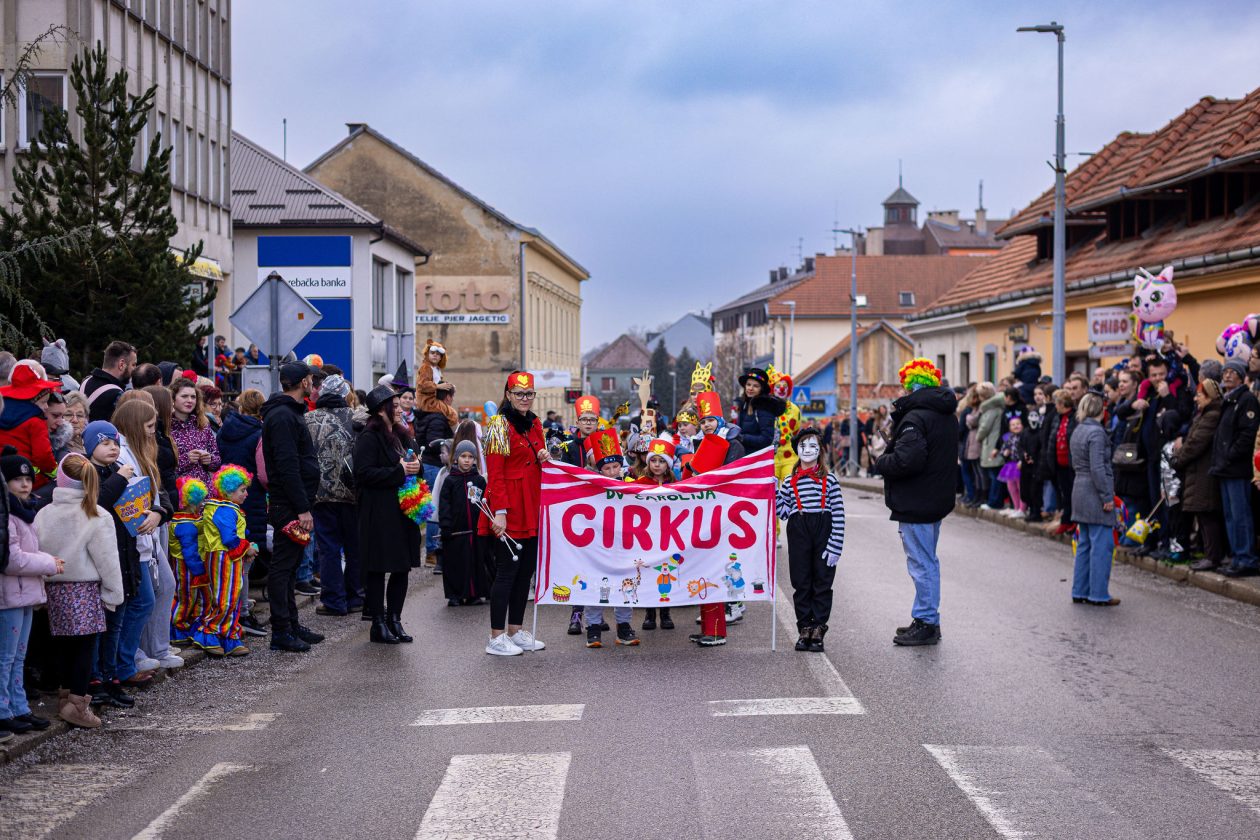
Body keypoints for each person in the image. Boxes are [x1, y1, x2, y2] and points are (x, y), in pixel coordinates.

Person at [873, 359, 958, 647]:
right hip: (934, 497)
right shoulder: (945, 413)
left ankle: (927, 622)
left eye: (905, 386)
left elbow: (907, 460)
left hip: (918, 499)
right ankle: (924, 616)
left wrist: (882, 461)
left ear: (911, 387)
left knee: (922, 563)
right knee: (927, 560)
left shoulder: (915, 417)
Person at [36, 454, 122, 729]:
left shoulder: (44, 513)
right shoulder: (96, 514)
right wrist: (113, 593)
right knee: (85, 648)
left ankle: (64, 696)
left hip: (53, 587)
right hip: (84, 589)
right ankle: (77, 703)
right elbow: (107, 559)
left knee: (61, 646)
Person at [482, 371, 548, 657]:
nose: (524, 399)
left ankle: (515, 630)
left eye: (529, 394)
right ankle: (496, 636)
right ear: (508, 395)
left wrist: (545, 456)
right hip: (508, 506)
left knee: (525, 573)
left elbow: (536, 458)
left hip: (531, 504)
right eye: (519, 394)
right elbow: (495, 474)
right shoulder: (498, 425)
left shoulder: (535, 423)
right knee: (507, 572)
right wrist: (499, 512)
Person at [112, 400, 180, 672]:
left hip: (148, 533)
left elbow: (153, 494)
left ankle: (155, 649)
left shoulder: (142, 450)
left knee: (164, 586)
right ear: (135, 426)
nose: (154, 432)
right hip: (136, 537)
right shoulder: (122, 454)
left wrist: (158, 511)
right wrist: (153, 512)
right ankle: (134, 656)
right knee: (142, 599)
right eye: (150, 426)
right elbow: (127, 499)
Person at [260, 361, 324, 653]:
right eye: (312, 379)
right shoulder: (284, 417)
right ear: (303, 382)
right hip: (289, 505)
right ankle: (281, 630)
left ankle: (291, 624)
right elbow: (287, 467)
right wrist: (302, 509)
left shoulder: (289, 413)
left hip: (293, 502)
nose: (314, 384)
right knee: (283, 568)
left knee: (290, 565)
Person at [0, 447, 62, 734]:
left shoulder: (27, 512)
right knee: (6, 657)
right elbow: (13, 560)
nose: (25, 484)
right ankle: (3, 710)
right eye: (17, 479)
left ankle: (19, 706)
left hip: (25, 594)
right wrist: (48, 563)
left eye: (27, 478)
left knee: (18, 657)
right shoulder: (9, 516)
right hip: (9, 596)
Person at [355, 385, 422, 644]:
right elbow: (363, 474)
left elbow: (409, 465)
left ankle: (395, 619)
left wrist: (413, 467)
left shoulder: (402, 435)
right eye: (394, 406)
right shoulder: (368, 437)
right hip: (378, 513)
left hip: (402, 511)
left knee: (401, 567)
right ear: (381, 410)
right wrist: (399, 471)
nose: (399, 409)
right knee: (377, 568)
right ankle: (378, 623)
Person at [776, 427, 845, 653]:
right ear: (797, 450)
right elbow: (783, 513)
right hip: (798, 530)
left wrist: (836, 545)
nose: (808, 450)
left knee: (822, 582)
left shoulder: (830, 480)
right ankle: (804, 627)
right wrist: (772, 491)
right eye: (803, 446)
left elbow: (838, 514)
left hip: (823, 528)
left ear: (820, 451)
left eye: (813, 446)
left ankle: (818, 629)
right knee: (801, 581)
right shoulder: (788, 481)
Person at [685, 390, 745, 646]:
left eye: (711, 420)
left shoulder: (734, 443)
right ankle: (709, 626)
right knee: (703, 572)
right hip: (704, 514)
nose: (707, 425)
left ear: (720, 420)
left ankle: (718, 630)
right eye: (703, 421)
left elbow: (734, 478)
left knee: (717, 571)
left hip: (723, 515)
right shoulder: (700, 443)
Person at [305, 374, 363, 616]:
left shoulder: (309, 419)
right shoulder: (359, 418)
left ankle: (333, 601)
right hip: (354, 495)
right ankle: (356, 597)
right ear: (345, 394)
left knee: (328, 548)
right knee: (355, 547)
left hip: (322, 495)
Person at [215, 389, 268, 636]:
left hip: (224, 496)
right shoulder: (259, 433)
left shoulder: (224, 429)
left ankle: (232, 610)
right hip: (251, 496)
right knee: (245, 557)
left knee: (228, 558)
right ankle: (242, 614)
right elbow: (264, 474)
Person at [192, 466, 256, 656]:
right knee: (225, 598)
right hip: (223, 557)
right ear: (229, 491)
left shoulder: (225, 508)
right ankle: (208, 632)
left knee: (231, 597)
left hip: (226, 557)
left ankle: (228, 635)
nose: (246, 494)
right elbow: (229, 538)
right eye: (242, 490)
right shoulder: (226, 510)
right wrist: (247, 547)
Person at [1211, 359, 1260, 578]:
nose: (1228, 375)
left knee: (1241, 515)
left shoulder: (1246, 400)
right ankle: (1236, 557)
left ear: (1241, 376)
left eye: (1233, 372)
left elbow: (1246, 435)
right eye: (1225, 372)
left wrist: (1229, 456)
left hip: (1237, 468)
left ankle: (1247, 558)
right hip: (1224, 468)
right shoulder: (1227, 401)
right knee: (1230, 516)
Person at [1069, 393, 1119, 606]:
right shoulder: (1097, 433)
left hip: (1079, 488)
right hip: (1095, 491)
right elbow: (1098, 467)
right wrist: (1107, 496)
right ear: (1101, 410)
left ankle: (1080, 590)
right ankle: (1098, 593)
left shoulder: (1079, 430)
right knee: (1102, 545)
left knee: (1084, 544)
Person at [1173, 380, 1225, 571]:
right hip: (1198, 471)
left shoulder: (1212, 416)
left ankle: (1213, 557)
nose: (1195, 399)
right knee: (1203, 515)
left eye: (1199, 395)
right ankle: (1210, 556)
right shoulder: (1205, 414)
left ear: (1210, 396)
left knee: (1207, 514)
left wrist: (1178, 459)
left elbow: (1195, 443)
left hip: (1204, 472)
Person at [438, 440, 490, 608]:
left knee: (475, 562)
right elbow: (444, 505)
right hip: (455, 532)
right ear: (456, 458)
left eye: (470, 457)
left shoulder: (479, 481)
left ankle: (475, 593)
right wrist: (445, 525)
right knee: (455, 563)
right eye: (463, 456)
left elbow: (484, 504)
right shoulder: (450, 481)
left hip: (475, 531)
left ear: (475, 459)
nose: (467, 460)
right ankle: (455, 594)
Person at [636, 437, 677, 637]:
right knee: (649, 574)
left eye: (661, 461)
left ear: (667, 464)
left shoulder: (675, 483)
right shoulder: (641, 483)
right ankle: (649, 614)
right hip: (647, 537)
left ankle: (666, 613)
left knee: (666, 574)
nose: (657, 465)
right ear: (648, 462)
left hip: (668, 537)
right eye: (654, 461)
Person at [414, 382, 456, 574]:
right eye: (451, 397)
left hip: (428, 465)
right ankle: (432, 552)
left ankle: (432, 551)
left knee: (430, 508)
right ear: (446, 397)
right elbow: (434, 442)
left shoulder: (426, 414)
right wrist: (445, 447)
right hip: (434, 465)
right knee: (435, 509)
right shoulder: (438, 418)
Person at [0, 365, 62, 489]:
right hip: (29, 481)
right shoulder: (36, 421)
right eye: (44, 402)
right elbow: (43, 456)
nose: (46, 407)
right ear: (31, 399)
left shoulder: (1, 411)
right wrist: (57, 473)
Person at [169, 477, 209, 651]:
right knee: (185, 596)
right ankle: (177, 627)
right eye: (200, 501)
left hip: (187, 565)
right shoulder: (186, 524)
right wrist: (199, 570)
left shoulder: (183, 519)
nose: (202, 504)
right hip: (186, 567)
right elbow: (189, 552)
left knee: (188, 596)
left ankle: (185, 624)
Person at [169, 378, 221, 484]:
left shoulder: (203, 424)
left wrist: (210, 460)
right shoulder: (166, 427)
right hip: (179, 493)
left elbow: (217, 460)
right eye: (184, 396)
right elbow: (163, 468)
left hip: (205, 491)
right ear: (173, 399)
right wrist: (186, 459)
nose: (190, 400)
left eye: (193, 397)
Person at [1041, 389, 1078, 534]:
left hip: (1070, 464)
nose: (1055, 406)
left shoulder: (1074, 417)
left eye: (1057, 403)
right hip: (1058, 462)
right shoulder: (1057, 417)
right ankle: (1065, 521)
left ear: (1063, 404)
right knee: (1064, 494)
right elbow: (1051, 437)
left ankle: (1072, 522)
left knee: (1072, 495)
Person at [82, 341, 137, 423]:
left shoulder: (85, 382)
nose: (135, 369)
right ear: (121, 364)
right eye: (133, 365)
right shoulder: (117, 394)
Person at [735, 367, 786, 453]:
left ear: (761, 389)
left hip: (758, 460)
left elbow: (766, 439)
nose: (750, 388)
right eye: (748, 384)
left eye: (755, 386)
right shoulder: (744, 405)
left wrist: (742, 438)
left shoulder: (764, 407)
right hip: (744, 457)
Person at [976, 384, 1005, 510]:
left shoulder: (991, 409)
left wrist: (978, 437)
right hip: (993, 442)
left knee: (995, 475)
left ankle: (994, 502)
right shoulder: (996, 407)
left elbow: (985, 427)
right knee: (995, 475)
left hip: (991, 444)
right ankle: (995, 500)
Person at [417, 339, 459, 428]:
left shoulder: (437, 369)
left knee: (451, 413)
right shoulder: (426, 367)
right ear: (427, 354)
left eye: (438, 354)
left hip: (435, 399)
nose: (435, 356)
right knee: (452, 414)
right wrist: (438, 386)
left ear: (441, 357)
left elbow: (439, 384)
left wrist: (449, 386)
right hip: (427, 401)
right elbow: (422, 385)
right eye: (432, 353)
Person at [996, 416, 1026, 517]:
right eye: (1013, 425)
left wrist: (1023, 460)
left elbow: (1026, 450)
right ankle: (1016, 507)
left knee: (1021, 488)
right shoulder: (1009, 437)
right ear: (1009, 427)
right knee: (1012, 488)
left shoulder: (1024, 436)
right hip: (1010, 465)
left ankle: (1022, 509)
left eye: (1018, 424)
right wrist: (1004, 453)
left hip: (1020, 464)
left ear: (1022, 425)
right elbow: (1003, 449)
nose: (1016, 426)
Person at [64, 391, 89, 456]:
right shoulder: (55, 447)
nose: (75, 420)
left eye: (80, 415)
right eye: (68, 415)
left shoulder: (90, 443)